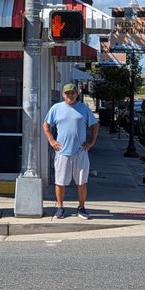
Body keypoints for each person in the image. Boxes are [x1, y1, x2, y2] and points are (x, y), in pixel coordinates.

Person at [43, 82, 99, 219]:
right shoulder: (56, 108)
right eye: (67, 93)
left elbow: (95, 125)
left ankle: (81, 208)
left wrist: (91, 141)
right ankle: (60, 207)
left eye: (72, 93)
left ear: (76, 94)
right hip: (62, 152)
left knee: (81, 182)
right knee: (60, 182)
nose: (70, 95)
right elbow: (46, 125)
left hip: (80, 152)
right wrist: (52, 141)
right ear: (63, 95)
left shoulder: (84, 109)